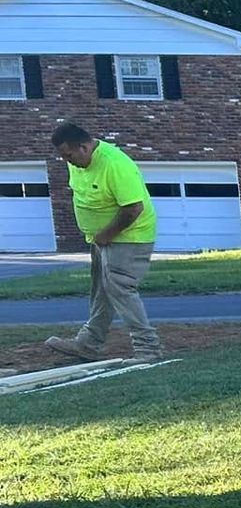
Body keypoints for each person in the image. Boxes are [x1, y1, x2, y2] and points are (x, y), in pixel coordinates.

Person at [45, 121, 162, 361]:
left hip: (130, 236)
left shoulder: (115, 164)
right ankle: (88, 344)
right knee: (102, 291)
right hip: (102, 239)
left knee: (119, 288)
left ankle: (147, 347)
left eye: (69, 155)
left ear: (83, 148)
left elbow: (133, 208)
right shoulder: (78, 162)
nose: (67, 161)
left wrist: (106, 234)